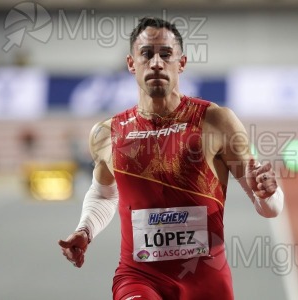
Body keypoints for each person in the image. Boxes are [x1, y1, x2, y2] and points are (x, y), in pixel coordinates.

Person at [58, 17, 284, 300]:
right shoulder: (107, 134)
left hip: (206, 280)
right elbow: (103, 194)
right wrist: (85, 229)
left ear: (182, 62)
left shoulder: (215, 121)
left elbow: (270, 208)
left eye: (165, 54)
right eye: (146, 54)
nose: (156, 63)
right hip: (138, 278)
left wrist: (268, 194)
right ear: (131, 63)